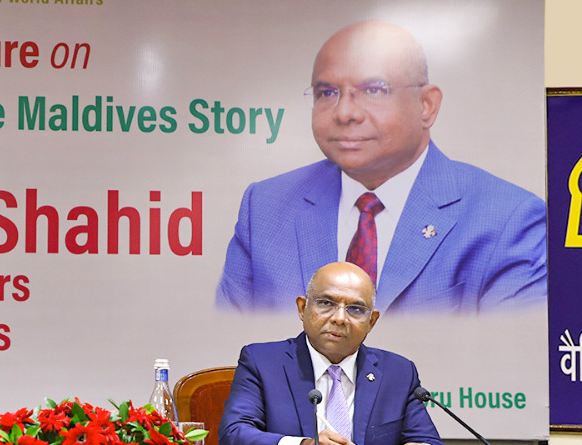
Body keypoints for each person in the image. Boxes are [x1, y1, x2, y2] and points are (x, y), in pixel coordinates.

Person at [216, 20, 545, 314]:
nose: (345, 112)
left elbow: (512, 358)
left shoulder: (508, 218)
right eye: (326, 92)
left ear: (426, 105)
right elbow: (231, 357)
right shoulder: (265, 208)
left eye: (373, 90)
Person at [218, 261, 445, 445]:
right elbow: (234, 438)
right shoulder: (262, 361)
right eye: (326, 303)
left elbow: (430, 443)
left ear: (371, 322)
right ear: (302, 308)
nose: (339, 318)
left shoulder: (398, 372)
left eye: (355, 309)